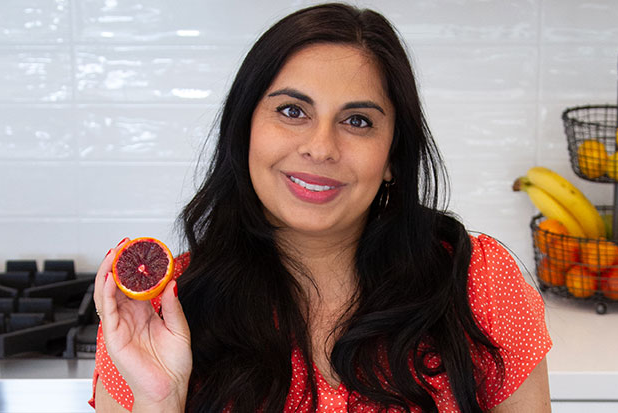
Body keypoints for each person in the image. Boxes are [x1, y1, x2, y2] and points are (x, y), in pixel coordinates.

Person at [91, 3, 551, 412]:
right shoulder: (157, 316)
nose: (321, 147)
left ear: (392, 156)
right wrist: (160, 399)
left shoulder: (479, 283)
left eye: (357, 121)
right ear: (245, 128)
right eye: (292, 111)